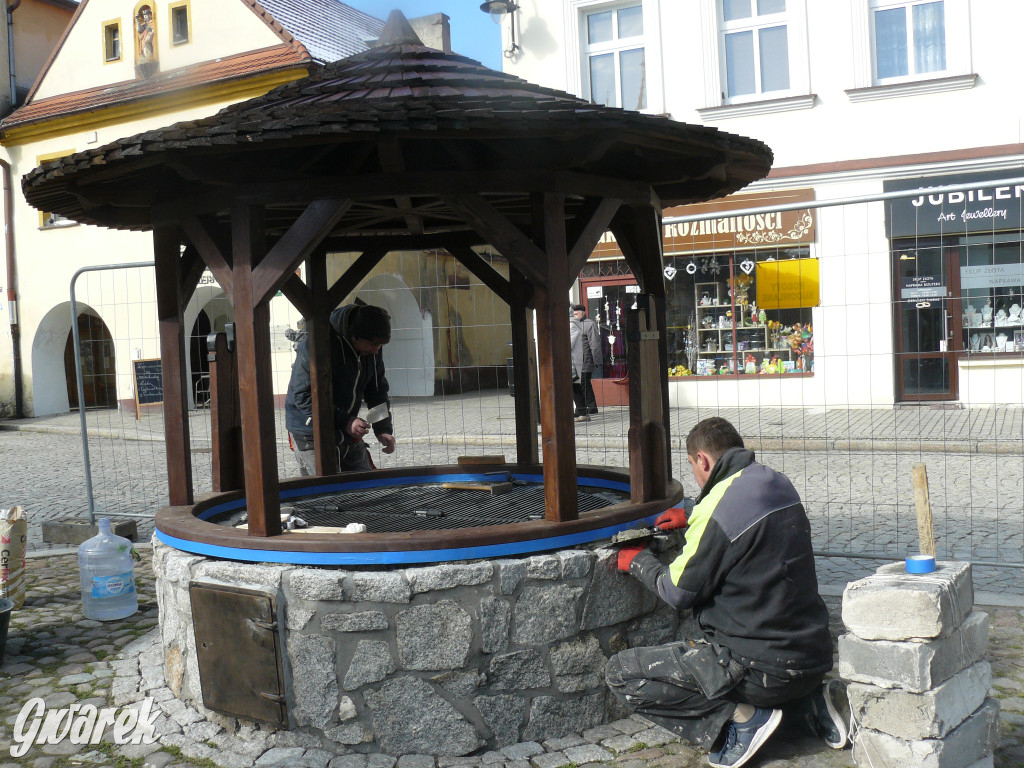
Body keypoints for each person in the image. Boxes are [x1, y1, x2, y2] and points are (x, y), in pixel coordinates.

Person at [606, 417, 847, 768]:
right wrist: (691, 511)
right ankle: (808, 705)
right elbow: (740, 516)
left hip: (760, 672)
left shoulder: (717, 514)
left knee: (620, 673)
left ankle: (744, 719)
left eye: (693, 467)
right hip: (813, 659)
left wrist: (639, 561)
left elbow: (677, 592)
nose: (695, 476)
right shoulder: (777, 482)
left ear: (702, 460)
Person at [284, 304, 396, 475]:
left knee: (364, 489)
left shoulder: (372, 350)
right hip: (310, 431)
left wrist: (383, 429)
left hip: (346, 429)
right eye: (373, 344)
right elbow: (304, 397)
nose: (376, 350)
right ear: (355, 335)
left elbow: (377, 391)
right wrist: (346, 421)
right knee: (325, 493)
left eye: (381, 345)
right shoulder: (318, 345)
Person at [570, 304, 602, 422]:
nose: (575, 316)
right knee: (584, 385)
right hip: (577, 362)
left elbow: (595, 343)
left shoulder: (589, 324)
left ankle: (588, 409)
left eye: (577, 314)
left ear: (583, 313)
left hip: (586, 361)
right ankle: (590, 408)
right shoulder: (574, 324)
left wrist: (597, 360)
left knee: (583, 385)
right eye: (574, 314)